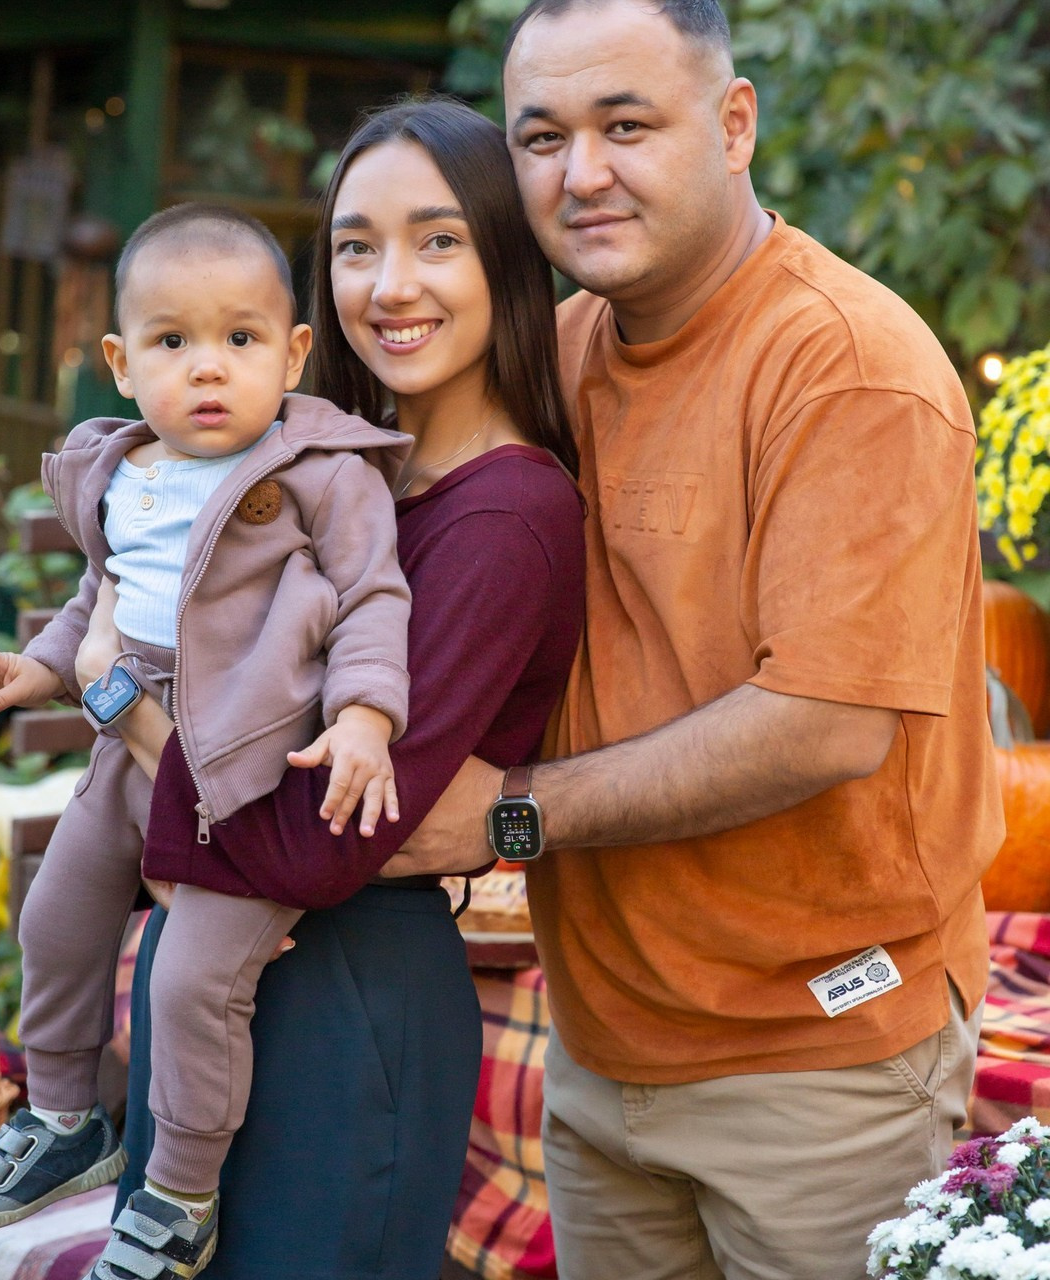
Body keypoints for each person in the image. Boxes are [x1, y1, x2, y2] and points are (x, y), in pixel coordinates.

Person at [391, 2, 1005, 1278]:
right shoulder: (548, 356)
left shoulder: (842, 365)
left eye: (626, 126)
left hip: (815, 1055)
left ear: (733, 125)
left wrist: (505, 813)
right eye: (541, 137)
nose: (581, 173)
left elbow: (823, 723)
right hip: (603, 1039)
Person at [86, 99, 586, 1280]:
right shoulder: (333, 473)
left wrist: (117, 698)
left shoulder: (506, 512)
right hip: (220, 979)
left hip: (340, 1002)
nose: (388, 284)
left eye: (438, 240)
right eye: (355, 246)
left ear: (505, 260)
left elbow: (322, 849)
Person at [0, 203, 420, 1278]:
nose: (209, 368)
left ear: (293, 353)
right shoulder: (125, 470)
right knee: (57, 911)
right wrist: (39, 668)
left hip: (244, 767)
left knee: (188, 977)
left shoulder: (319, 474)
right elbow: (100, 596)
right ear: (119, 362)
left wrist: (362, 714)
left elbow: (372, 601)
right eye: (172, 342)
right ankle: (63, 1117)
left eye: (240, 339)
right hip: (127, 744)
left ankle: (180, 1191)